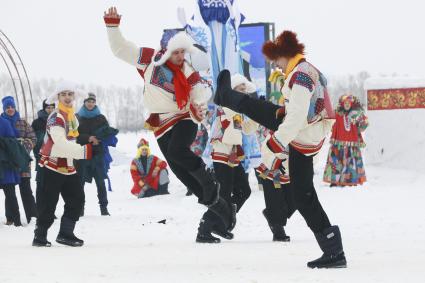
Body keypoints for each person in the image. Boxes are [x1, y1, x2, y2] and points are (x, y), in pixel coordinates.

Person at [214, 30, 347, 268]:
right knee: (303, 196)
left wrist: (273, 144)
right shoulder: (301, 72)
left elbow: (295, 118)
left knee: (258, 107)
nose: (275, 64)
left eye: (275, 58)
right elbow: (296, 112)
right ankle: (334, 250)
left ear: (284, 54)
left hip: (302, 133)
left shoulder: (301, 76)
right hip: (306, 135)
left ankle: (226, 95)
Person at [104, 7, 235, 233]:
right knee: (179, 171)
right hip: (160, 123)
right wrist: (112, 26)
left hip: (183, 117)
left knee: (177, 151)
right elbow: (121, 49)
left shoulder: (186, 69)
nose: (181, 57)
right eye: (177, 53)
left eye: (183, 53)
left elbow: (200, 89)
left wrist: (199, 102)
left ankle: (208, 179)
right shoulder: (148, 60)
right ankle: (220, 206)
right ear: (166, 50)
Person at [196, 74, 257, 243]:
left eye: (245, 90)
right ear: (232, 91)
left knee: (243, 190)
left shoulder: (236, 109)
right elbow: (228, 130)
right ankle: (205, 228)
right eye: (240, 89)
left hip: (232, 154)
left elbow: (244, 129)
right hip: (223, 154)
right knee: (223, 194)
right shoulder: (227, 106)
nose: (244, 93)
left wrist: (257, 118)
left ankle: (221, 223)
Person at [32, 87, 94, 247]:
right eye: (64, 94)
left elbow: (72, 139)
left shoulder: (72, 116)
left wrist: (87, 142)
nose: (67, 97)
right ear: (58, 97)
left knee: (77, 199)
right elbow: (59, 143)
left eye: (70, 94)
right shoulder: (56, 116)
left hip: (68, 166)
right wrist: (83, 151)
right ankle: (40, 236)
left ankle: (65, 233)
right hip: (52, 165)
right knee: (48, 203)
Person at [76, 93, 118, 216]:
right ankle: (80, 209)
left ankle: (104, 209)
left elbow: (106, 132)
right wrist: (89, 138)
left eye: (92, 101)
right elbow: (74, 135)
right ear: (84, 103)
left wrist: (98, 138)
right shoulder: (77, 117)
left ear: (95, 103)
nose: (90, 103)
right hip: (82, 154)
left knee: (100, 182)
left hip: (98, 154)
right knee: (80, 183)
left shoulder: (101, 118)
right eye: (88, 101)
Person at [1, 96, 38, 224]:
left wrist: (23, 148)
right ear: (4, 109)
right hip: (8, 163)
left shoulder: (23, 122)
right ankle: (11, 218)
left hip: (22, 162)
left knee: (26, 189)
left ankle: (32, 216)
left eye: (12, 107)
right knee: (9, 190)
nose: (10, 109)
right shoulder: (2, 122)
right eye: (7, 107)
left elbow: (33, 138)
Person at [323, 94, 369, 187]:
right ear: (342, 104)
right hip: (338, 143)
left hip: (352, 144)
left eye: (349, 103)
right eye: (345, 103)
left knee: (350, 163)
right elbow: (329, 120)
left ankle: (349, 180)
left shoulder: (355, 114)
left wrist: (361, 118)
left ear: (352, 104)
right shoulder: (337, 113)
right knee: (336, 163)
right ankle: (334, 181)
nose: (347, 104)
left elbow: (364, 124)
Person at [0, 113, 31, 227]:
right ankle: (14, 220)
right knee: (10, 194)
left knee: (10, 193)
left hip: (5, 164)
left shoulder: (4, 123)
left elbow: (13, 141)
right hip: (5, 164)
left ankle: (16, 221)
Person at [32, 99, 56, 204]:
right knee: (41, 183)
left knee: (53, 184)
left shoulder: (57, 121)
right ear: (44, 108)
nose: (50, 110)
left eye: (52, 107)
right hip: (41, 156)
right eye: (48, 107)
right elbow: (34, 140)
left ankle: (50, 209)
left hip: (55, 157)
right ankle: (39, 207)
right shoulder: (37, 122)